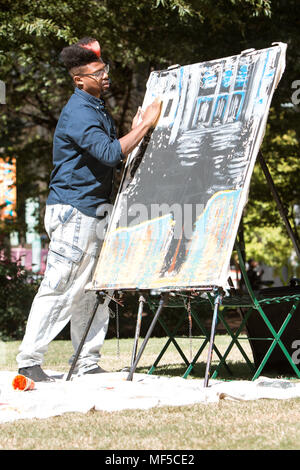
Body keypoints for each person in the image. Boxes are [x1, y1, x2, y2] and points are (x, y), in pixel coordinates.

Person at [16, 37, 162, 382]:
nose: (105, 76)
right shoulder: (79, 111)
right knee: (60, 285)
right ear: (79, 79)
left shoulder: (94, 106)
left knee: (92, 289)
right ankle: (29, 361)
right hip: (74, 211)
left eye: (105, 69)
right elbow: (112, 155)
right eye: (98, 73)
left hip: (92, 210)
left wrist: (134, 128)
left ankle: (86, 361)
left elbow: (108, 149)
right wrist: (145, 125)